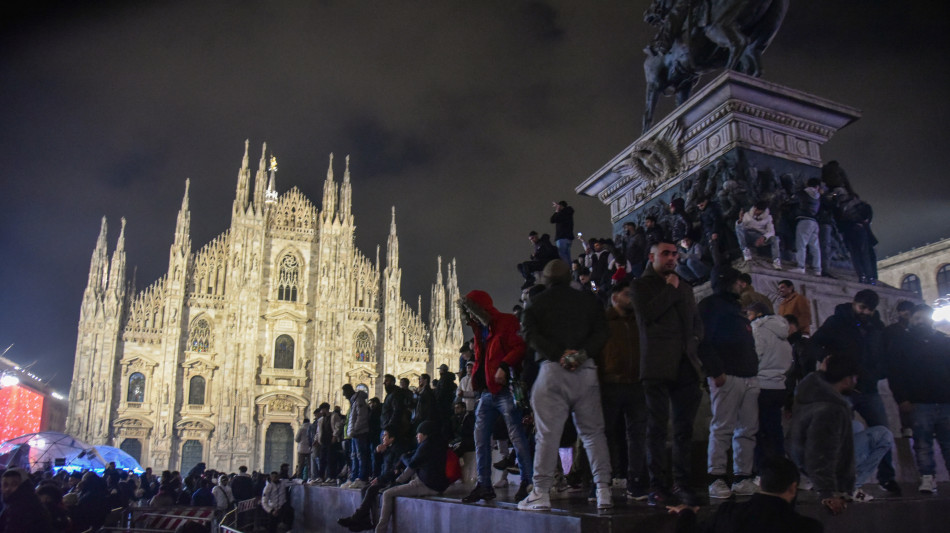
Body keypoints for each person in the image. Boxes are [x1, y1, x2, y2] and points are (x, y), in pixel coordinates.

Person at [518, 259, 612, 511]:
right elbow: (603, 332)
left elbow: (528, 332)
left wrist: (558, 354)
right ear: (569, 277)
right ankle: (603, 490)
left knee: (547, 435)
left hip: (552, 370)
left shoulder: (537, 302)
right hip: (585, 369)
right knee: (593, 433)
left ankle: (541, 493)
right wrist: (581, 354)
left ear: (546, 280)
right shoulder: (588, 301)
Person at [631, 241, 704, 507]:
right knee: (657, 428)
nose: (672, 258)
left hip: (686, 364)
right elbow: (648, 314)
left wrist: (695, 340)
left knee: (684, 428)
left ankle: (682, 483)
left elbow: (695, 321)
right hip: (657, 365)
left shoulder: (684, 286)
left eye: (674, 254)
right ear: (652, 257)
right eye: (665, 254)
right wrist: (670, 289)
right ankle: (657, 485)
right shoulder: (641, 285)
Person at [810, 289, 900, 495]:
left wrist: (878, 372)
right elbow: (814, 344)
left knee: (883, 432)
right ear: (854, 303)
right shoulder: (836, 322)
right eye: (862, 307)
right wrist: (828, 360)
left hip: (869, 389)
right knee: (840, 433)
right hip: (843, 389)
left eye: (870, 310)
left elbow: (884, 354)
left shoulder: (876, 327)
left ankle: (886, 477)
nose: (865, 312)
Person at [788, 355, 893, 513]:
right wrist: (827, 492)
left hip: (799, 458)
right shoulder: (832, 408)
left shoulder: (809, 389)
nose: (856, 382)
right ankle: (850, 489)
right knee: (883, 435)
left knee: (856, 426)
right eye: (854, 378)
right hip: (814, 465)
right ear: (846, 380)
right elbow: (820, 451)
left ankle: (835, 484)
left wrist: (821, 372)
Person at [458, 289, 534, 504]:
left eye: (472, 311)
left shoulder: (506, 322)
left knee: (516, 436)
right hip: (485, 393)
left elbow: (520, 347)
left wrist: (504, 365)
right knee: (480, 438)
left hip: (504, 391)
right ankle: (484, 485)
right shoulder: (478, 331)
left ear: (480, 309)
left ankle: (527, 482)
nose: (470, 316)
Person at [697, 266, 760, 499]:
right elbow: (703, 340)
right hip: (727, 375)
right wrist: (716, 371)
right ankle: (716, 477)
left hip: (748, 375)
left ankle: (742, 477)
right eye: (737, 281)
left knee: (747, 430)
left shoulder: (735, 307)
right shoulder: (710, 305)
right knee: (722, 428)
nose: (742, 285)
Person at [886, 304, 950, 494]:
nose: (920, 322)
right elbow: (895, 373)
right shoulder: (901, 343)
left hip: (945, 400)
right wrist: (902, 399)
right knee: (922, 443)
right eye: (917, 318)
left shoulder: (944, 341)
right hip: (919, 402)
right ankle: (927, 477)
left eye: (924, 318)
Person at [669, 457, 824, 533]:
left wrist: (686, 513)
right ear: (793, 488)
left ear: (760, 483)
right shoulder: (807, 527)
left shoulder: (728, 514)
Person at [598, 280, 649, 500]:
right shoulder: (603, 322)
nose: (632, 299)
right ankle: (603, 481)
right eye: (628, 294)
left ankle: (635, 480)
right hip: (610, 384)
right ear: (615, 297)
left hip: (636, 383)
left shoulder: (638, 321)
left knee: (637, 435)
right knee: (606, 434)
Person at [374, 421, 450, 533]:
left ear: (425, 434)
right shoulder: (436, 444)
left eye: (419, 433)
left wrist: (403, 457)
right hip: (435, 484)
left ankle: (380, 530)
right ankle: (397, 482)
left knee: (387, 494)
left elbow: (412, 464)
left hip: (426, 485)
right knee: (398, 484)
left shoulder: (425, 446)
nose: (416, 436)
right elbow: (413, 461)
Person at [747, 302, 793, 469]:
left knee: (758, 432)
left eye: (749, 314)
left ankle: (762, 471)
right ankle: (781, 468)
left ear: (758, 314)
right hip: (779, 386)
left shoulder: (757, 329)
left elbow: (755, 356)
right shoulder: (782, 331)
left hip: (761, 385)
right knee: (775, 430)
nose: (747, 318)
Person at [336, 427, 406, 532]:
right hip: (383, 479)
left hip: (392, 481)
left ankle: (356, 518)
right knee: (365, 489)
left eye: (385, 435)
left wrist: (380, 479)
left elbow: (394, 471)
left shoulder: (398, 450)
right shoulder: (386, 449)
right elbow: (378, 467)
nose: (382, 437)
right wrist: (377, 453)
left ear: (392, 438)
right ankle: (365, 521)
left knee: (371, 489)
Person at [0, 468, 53, 533]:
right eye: (5, 485)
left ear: (24, 486)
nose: (8, 489)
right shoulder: (9, 509)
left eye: (14, 484)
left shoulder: (33, 511)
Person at [736, 200, 782, 269]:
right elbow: (741, 230)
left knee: (776, 239)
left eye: (758, 210)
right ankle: (745, 250)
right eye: (755, 209)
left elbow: (771, 231)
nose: (755, 211)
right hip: (748, 235)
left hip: (760, 236)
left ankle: (776, 261)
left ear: (762, 211)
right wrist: (740, 220)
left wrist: (763, 237)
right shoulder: (747, 214)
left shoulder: (768, 218)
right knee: (738, 227)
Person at [342, 383, 372, 490]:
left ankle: (362, 478)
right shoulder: (354, 401)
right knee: (354, 456)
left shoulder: (358, 400)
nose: (344, 395)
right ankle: (354, 478)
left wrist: (355, 429)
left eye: (344, 392)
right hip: (355, 433)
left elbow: (361, 416)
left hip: (360, 433)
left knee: (361, 456)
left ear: (349, 390)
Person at [793, 178, 822, 275]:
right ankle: (817, 269)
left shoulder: (802, 193)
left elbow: (793, 201)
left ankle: (801, 266)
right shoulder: (818, 196)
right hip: (814, 222)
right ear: (817, 186)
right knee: (815, 247)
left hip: (804, 220)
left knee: (801, 245)